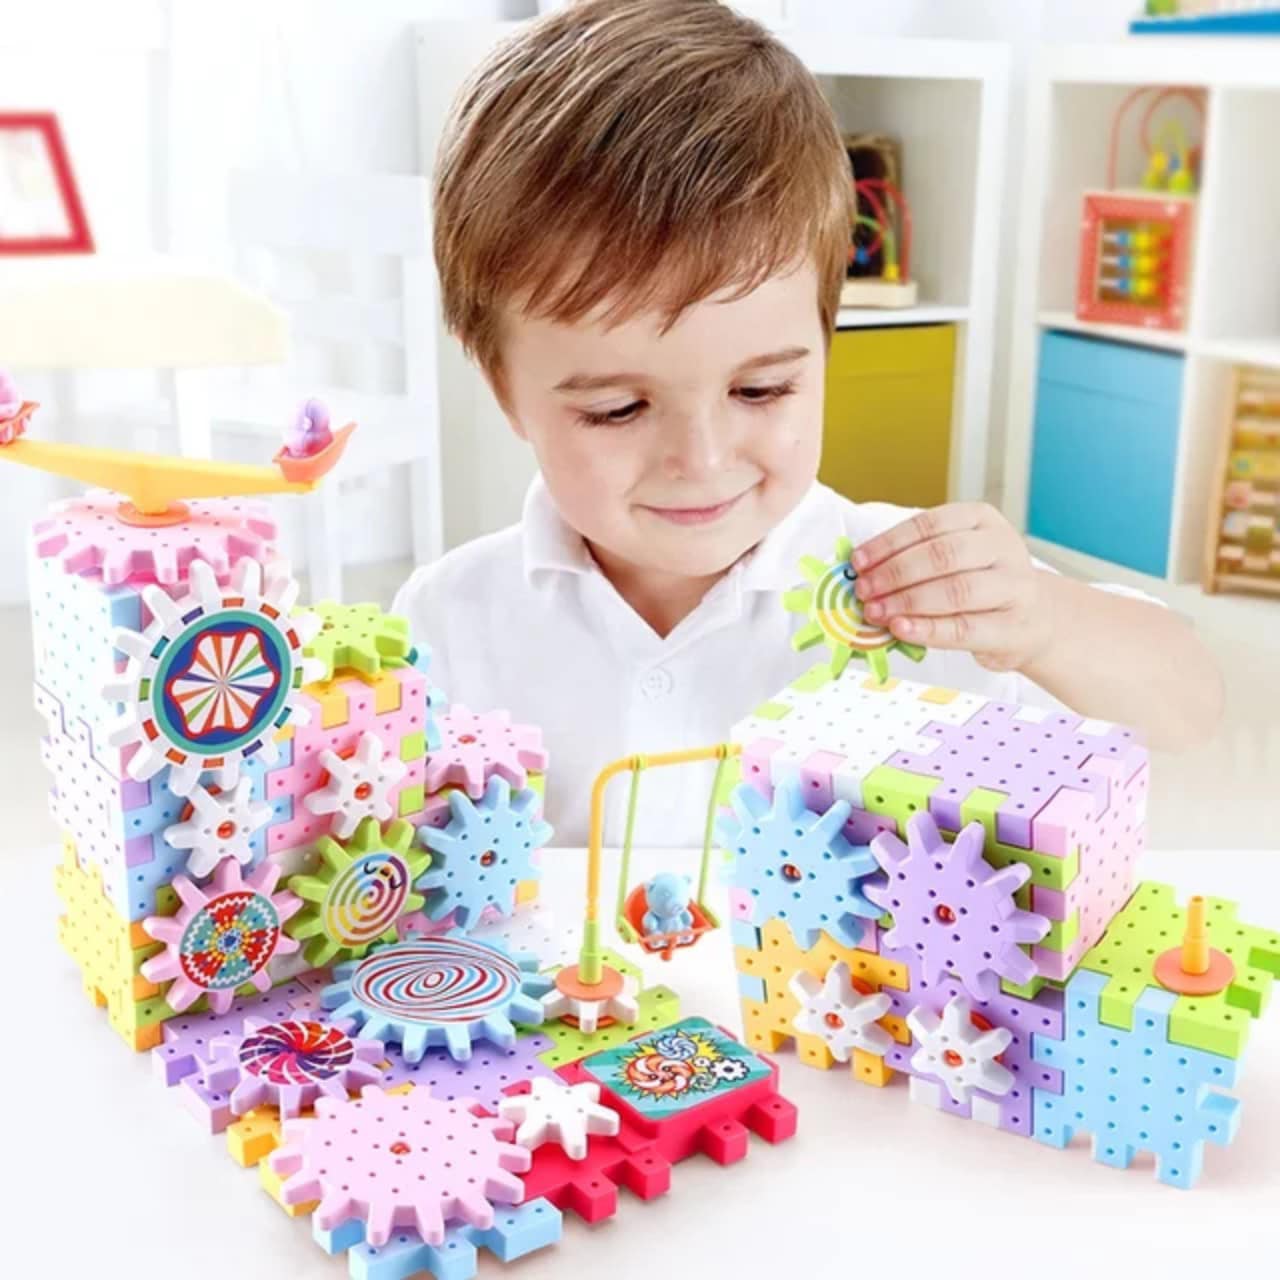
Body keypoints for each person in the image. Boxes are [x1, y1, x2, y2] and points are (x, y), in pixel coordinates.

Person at [395, 0, 1222, 847]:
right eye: (618, 408)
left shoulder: (906, 586)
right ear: (504, 388)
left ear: (824, 347)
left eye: (760, 391)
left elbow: (1189, 705)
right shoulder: (452, 618)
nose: (702, 458)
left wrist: (1044, 617)